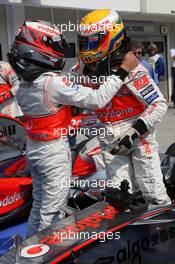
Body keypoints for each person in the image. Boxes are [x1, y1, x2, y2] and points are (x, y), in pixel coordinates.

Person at [7, 20, 138, 236]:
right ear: (42, 47)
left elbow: (60, 108)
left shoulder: (22, 86)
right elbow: (98, 99)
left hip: (34, 151)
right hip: (53, 155)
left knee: (39, 205)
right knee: (53, 211)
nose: (60, 51)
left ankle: (29, 247)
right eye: (57, 46)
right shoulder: (53, 83)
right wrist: (123, 70)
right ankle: (43, 255)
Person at [77, 9, 170, 205]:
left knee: (153, 195)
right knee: (121, 198)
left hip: (139, 137)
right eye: (84, 42)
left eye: (93, 41)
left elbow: (158, 103)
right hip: (108, 139)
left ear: (112, 37)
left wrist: (134, 131)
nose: (87, 47)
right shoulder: (79, 71)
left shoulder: (133, 68)